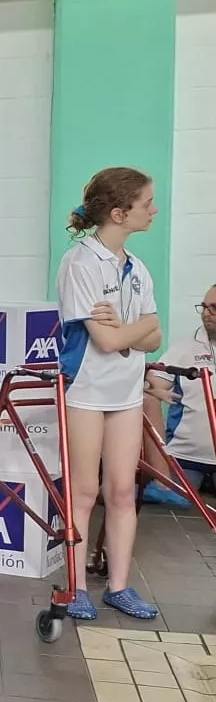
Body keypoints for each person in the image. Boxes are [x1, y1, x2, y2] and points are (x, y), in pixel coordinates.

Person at [57, 168, 163, 622]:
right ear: (120, 213)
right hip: (86, 389)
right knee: (83, 491)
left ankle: (118, 586)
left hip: (125, 391)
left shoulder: (137, 268)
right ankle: (76, 586)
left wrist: (124, 329)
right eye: (147, 203)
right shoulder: (79, 263)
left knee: (121, 491)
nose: (154, 210)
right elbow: (103, 342)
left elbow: (154, 336)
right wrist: (128, 331)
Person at [146, 283, 216, 501]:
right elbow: (153, 383)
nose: (206, 313)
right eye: (204, 307)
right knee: (174, 498)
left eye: (213, 307)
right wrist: (153, 389)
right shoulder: (186, 346)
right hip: (186, 457)